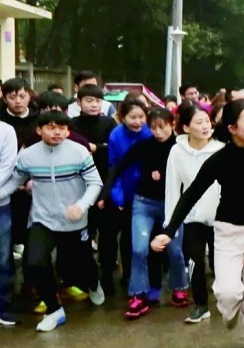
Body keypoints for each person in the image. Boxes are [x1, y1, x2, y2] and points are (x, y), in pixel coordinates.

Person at [151, 100, 244, 348]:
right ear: (232, 128)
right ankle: (229, 311)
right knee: (227, 292)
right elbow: (190, 194)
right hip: (227, 231)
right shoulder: (219, 159)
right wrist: (168, 231)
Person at [0, 111, 105, 332]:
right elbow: (15, 181)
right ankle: (54, 310)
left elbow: (95, 183)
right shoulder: (28, 155)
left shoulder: (79, 152)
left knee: (82, 263)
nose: (57, 132)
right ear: (39, 130)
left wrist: (81, 206)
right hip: (43, 219)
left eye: (62, 128)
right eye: (50, 127)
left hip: (74, 220)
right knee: (34, 263)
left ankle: (93, 283)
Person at [103, 108, 189, 319]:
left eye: (163, 127)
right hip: (144, 203)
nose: (158, 133)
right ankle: (138, 294)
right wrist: (107, 192)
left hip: (173, 205)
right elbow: (119, 166)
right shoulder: (143, 145)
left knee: (175, 250)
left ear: (173, 125)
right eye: (153, 128)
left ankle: (179, 287)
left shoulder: (181, 147)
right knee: (139, 249)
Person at [165, 102, 225, 323]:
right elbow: (172, 186)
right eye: (199, 122)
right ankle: (200, 305)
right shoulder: (177, 151)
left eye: (207, 121)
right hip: (192, 218)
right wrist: (170, 223)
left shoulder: (221, 149)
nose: (205, 126)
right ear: (186, 127)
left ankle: (228, 301)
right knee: (194, 261)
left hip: (221, 218)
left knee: (221, 265)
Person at [100, 97, 152, 295]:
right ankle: (106, 275)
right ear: (122, 117)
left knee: (131, 239)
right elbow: (114, 167)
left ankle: (130, 276)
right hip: (119, 190)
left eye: (141, 117)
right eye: (132, 117)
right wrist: (117, 196)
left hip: (142, 193)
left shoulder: (149, 134)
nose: (137, 122)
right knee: (109, 237)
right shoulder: (116, 135)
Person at [69, 84, 118, 266]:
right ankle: (83, 265)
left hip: (105, 179)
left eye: (98, 101)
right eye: (89, 100)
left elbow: (115, 147)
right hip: (78, 181)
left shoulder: (109, 123)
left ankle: (108, 265)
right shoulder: (71, 124)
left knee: (107, 229)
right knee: (83, 228)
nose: (94, 105)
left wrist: (97, 147)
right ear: (79, 102)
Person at [0, 78, 37, 260]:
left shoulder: (38, 120)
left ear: (29, 96)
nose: (17, 101)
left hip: (32, 181)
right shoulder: (2, 121)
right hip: (4, 182)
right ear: (4, 98)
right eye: (12, 97)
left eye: (22, 96)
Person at [0, 118, 17, 325]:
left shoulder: (5, 130)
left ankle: (1, 306)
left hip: (0, 204)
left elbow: (7, 166)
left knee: (2, 258)